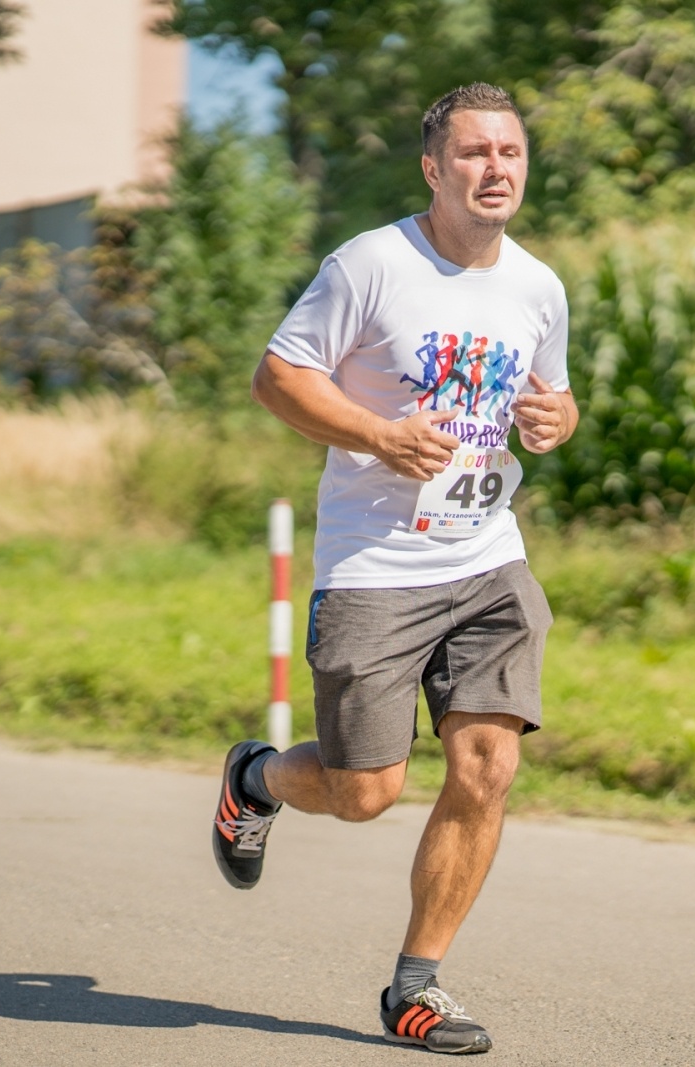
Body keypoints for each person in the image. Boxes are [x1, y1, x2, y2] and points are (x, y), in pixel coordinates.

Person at [212, 82, 577, 1055]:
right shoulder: (371, 264)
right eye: (473, 152)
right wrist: (378, 433)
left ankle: (415, 987)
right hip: (374, 564)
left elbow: (555, 397)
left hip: (488, 558)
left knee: (487, 764)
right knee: (364, 789)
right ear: (432, 169)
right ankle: (256, 777)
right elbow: (277, 376)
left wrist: (556, 418)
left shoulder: (538, 287)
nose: (495, 168)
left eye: (509, 151)